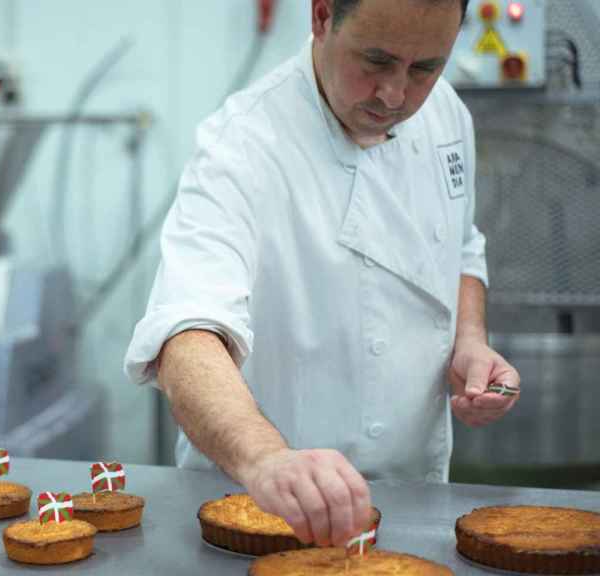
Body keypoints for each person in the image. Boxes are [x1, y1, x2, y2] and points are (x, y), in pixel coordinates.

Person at [124, 0, 522, 549]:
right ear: (321, 17)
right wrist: (265, 459)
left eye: (425, 67)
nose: (395, 94)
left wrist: (470, 343)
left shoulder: (447, 114)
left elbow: (460, 247)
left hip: (413, 499)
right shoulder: (241, 144)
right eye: (376, 60)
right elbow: (185, 334)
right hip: (259, 511)